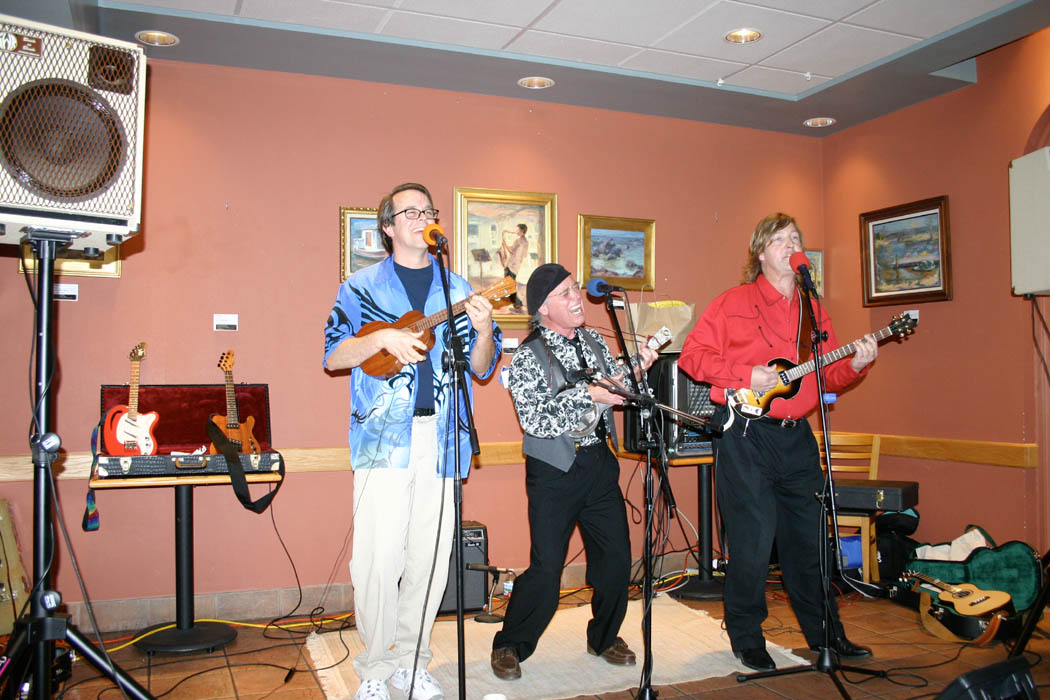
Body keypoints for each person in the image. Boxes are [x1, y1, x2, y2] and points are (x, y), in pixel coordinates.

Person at [323, 182, 501, 700]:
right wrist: (379, 338)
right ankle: (375, 670)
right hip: (383, 439)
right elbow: (333, 356)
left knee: (428, 554)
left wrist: (486, 330)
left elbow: (482, 368)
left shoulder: (457, 286)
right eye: (411, 211)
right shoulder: (360, 287)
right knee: (378, 559)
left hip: (443, 437)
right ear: (388, 226)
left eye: (429, 210)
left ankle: (412, 661)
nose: (423, 217)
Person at [678, 213, 877, 673]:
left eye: (797, 239)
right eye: (782, 240)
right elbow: (693, 357)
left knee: (808, 542)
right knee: (752, 541)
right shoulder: (732, 302)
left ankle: (826, 635)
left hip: (797, 439)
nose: (792, 245)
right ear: (761, 253)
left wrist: (859, 363)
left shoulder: (813, 308)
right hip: (746, 436)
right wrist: (747, 374)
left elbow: (828, 375)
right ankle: (747, 637)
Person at [489, 263, 657, 681]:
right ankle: (510, 643)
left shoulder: (595, 341)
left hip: (599, 463)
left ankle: (604, 637)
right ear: (544, 307)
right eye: (565, 293)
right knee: (547, 568)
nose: (576, 297)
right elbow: (536, 421)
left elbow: (618, 391)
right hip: (554, 471)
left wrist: (636, 373)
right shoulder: (528, 354)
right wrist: (589, 396)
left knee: (617, 560)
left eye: (575, 288)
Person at [497, 223, 529, 309]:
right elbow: (524, 255)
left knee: (509, 284)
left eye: (517, 230)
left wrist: (504, 243)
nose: (516, 231)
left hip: (511, 265)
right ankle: (516, 303)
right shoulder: (525, 241)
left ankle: (517, 302)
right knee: (511, 284)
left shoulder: (518, 241)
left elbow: (511, 250)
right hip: (516, 265)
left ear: (522, 231)